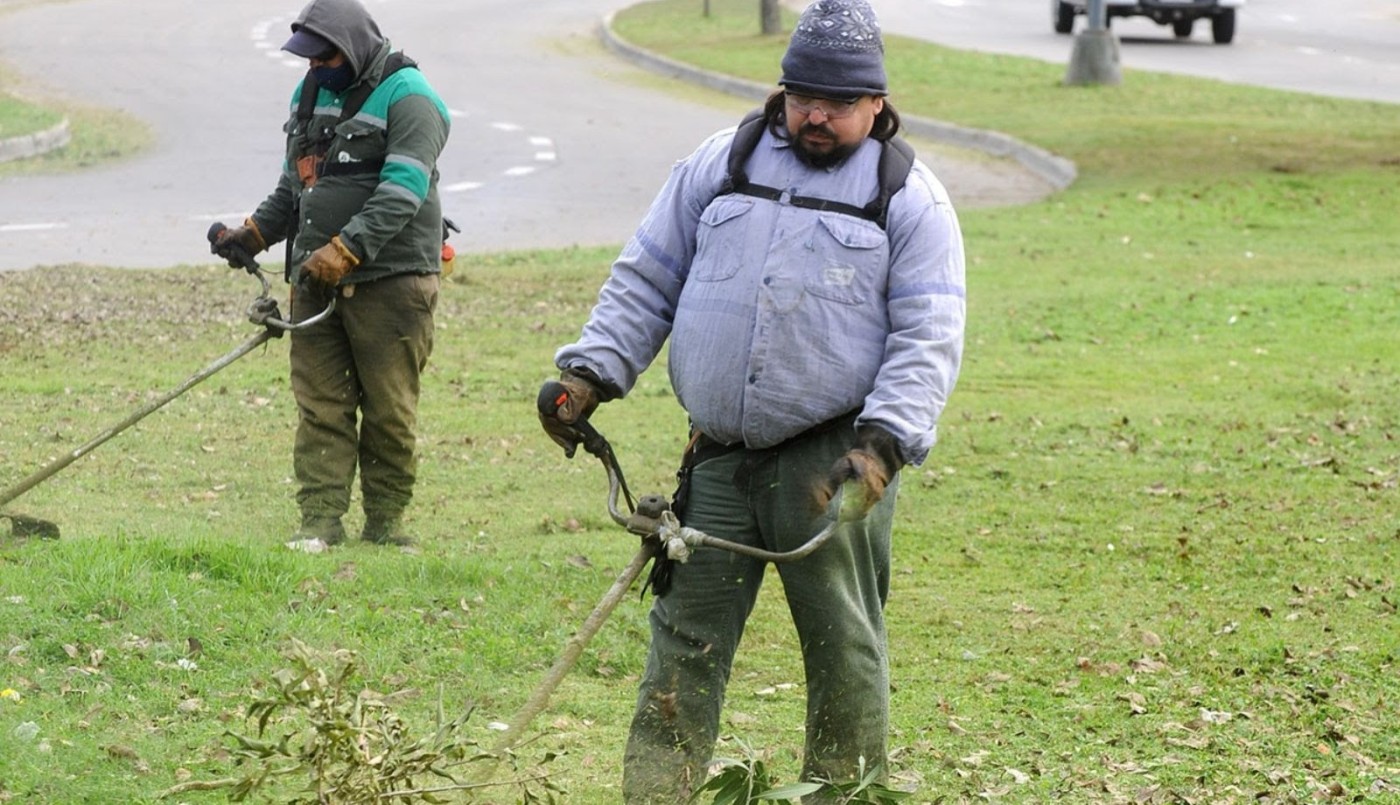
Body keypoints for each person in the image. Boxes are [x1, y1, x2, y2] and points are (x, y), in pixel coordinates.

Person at [538, 0, 966, 799]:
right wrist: (588, 373)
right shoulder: (722, 161)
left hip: (831, 461)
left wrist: (883, 446)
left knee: (843, 646)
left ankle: (844, 792)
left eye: (838, 104)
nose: (816, 115)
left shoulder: (909, 199)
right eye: (803, 96)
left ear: (876, 104)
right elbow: (650, 274)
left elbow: (929, 336)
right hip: (719, 455)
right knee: (682, 642)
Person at [211, 0, 450, 546]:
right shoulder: (310, 93)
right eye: (310, 61)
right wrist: (252, 234)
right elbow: (294, 187)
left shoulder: (412, 98)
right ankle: (319, 523)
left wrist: (347, 249)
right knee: (321, 406)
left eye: (326, 58)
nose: (317, 69)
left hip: (392, 283)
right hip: (316, 283)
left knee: (389, 409)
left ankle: (387, 526)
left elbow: (403, 191)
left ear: (356, 47)